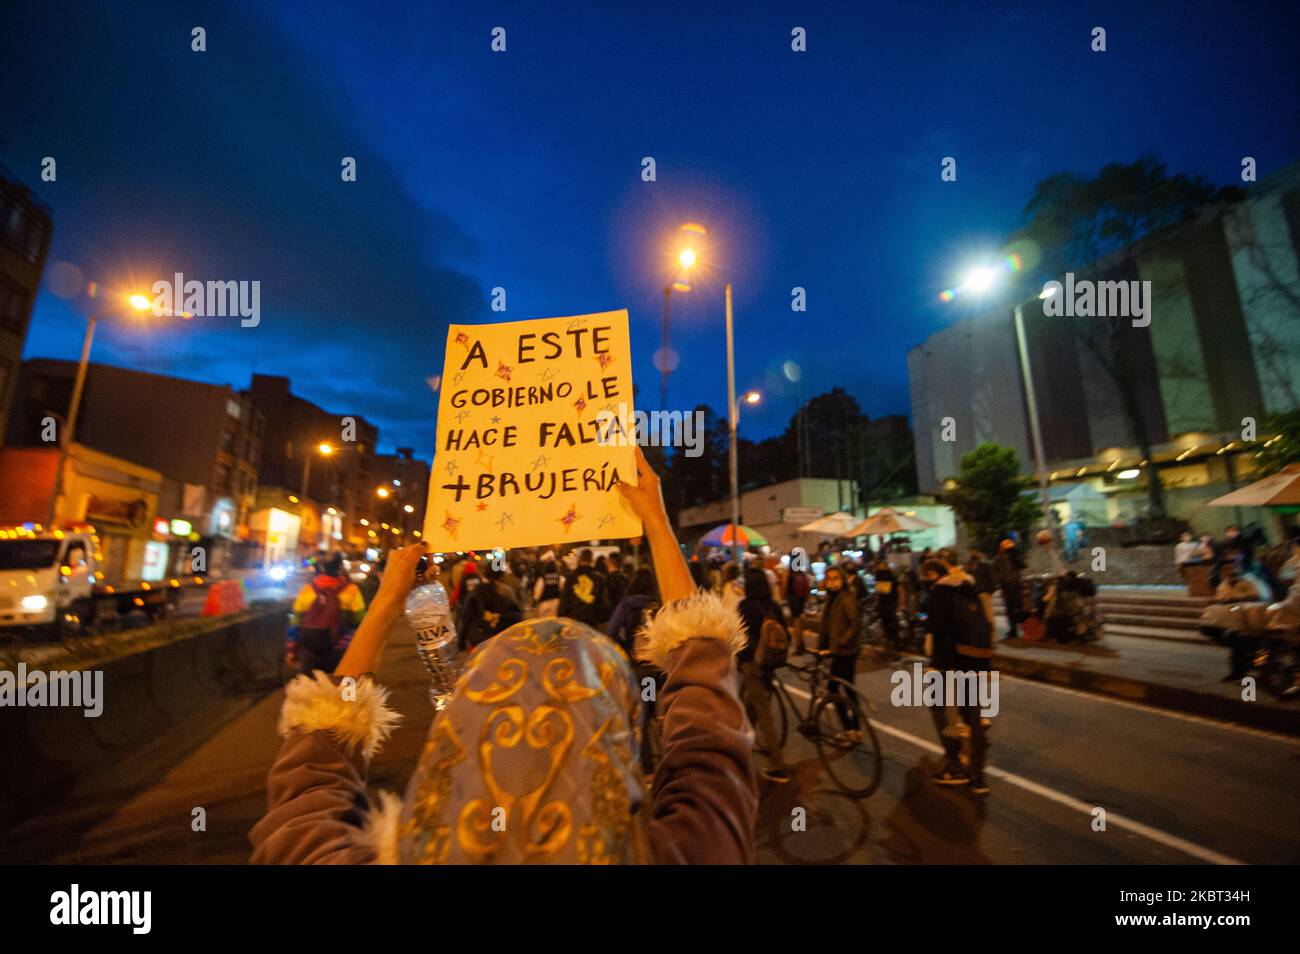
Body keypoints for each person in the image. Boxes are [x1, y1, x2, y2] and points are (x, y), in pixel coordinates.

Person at [250, 445, 757, 864]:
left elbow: (309, 782)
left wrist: (387, 602)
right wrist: (657, 524)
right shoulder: (690, 852)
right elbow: (708, 731)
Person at [920, 557, 991, 793]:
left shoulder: (941, 591)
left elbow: (936, 629)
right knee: (973, 716)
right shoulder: (971, 587)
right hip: (974, 659)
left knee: (939, 710)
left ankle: (954, 767)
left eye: (928, 574)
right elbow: (985, 624)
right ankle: (978, 777)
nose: (926, 579)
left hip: (946, 661)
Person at [736, 567, 792, 784]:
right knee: (753, 709)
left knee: (764, 713)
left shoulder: (745, 606)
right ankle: (741, 750)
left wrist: (741, 660)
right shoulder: (773, 606)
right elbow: (785, 634)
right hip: (770, 663)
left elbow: (741, 637)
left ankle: (778, 765)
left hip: (752, 665)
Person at [285, 552, 366, 675]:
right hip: (340, 651)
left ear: (322, 569)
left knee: (310, 690)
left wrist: (291, 650)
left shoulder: (307, 590)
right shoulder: (352, 591)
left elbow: (296, 623)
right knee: (338, 690)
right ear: (340, 568)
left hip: (309, 651)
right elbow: (360, 621)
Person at [817, 565, 862, 738]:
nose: (832, 582)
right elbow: (827, 626)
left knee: (834, 690)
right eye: (829, 578)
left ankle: (850, 729)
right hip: (838, 651)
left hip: (845, 652)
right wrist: (822, 648)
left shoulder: (846, 598)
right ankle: (855, 729)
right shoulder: (832, 598)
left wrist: (841, 643)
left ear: (843, 580)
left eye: (836, 578)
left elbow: (855, 624)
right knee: (849, 689)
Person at [457, 564, 524, 650]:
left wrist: (461, 642)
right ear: (502, 575)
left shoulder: (477, 590)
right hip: (502, 637)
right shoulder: (507, 590)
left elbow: (467, 618)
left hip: (480, 638)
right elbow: (516, 612)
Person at [608, 567, 659, 654]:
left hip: (635, 655)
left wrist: (625, 646)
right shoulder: (661, 603)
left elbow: (612, 632)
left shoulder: (626, 604)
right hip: (658, 656)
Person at [558, 548, 611, 628]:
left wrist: (561, 618)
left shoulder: (571, 577)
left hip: (573, 619)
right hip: (592, 620)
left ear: (579, 559)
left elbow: (565, 600)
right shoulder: (599, 578)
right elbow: (604, 601)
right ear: (592, 560)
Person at [871, 556, 902, 660]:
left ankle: (896, 649)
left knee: (893, 627)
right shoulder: (878, 576)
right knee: (885, 627)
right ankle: (889, 648)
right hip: (882, 605)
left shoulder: (892, 577)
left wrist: (900, 605)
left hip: (891, 604)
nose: (880, 567)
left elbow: (900, 590)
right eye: (879, 566)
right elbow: (878, 592)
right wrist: (876, 602)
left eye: (882, 565)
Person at [994, 538, 1023, 640]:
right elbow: (997, 572)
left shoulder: (1014, 557)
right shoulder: (999, 558)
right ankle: (1013, 629)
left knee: (1016, 607)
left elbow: (1021, 567)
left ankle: (1017, 628)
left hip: (1014, 585)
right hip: (1007, 586)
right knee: (1010, 609)